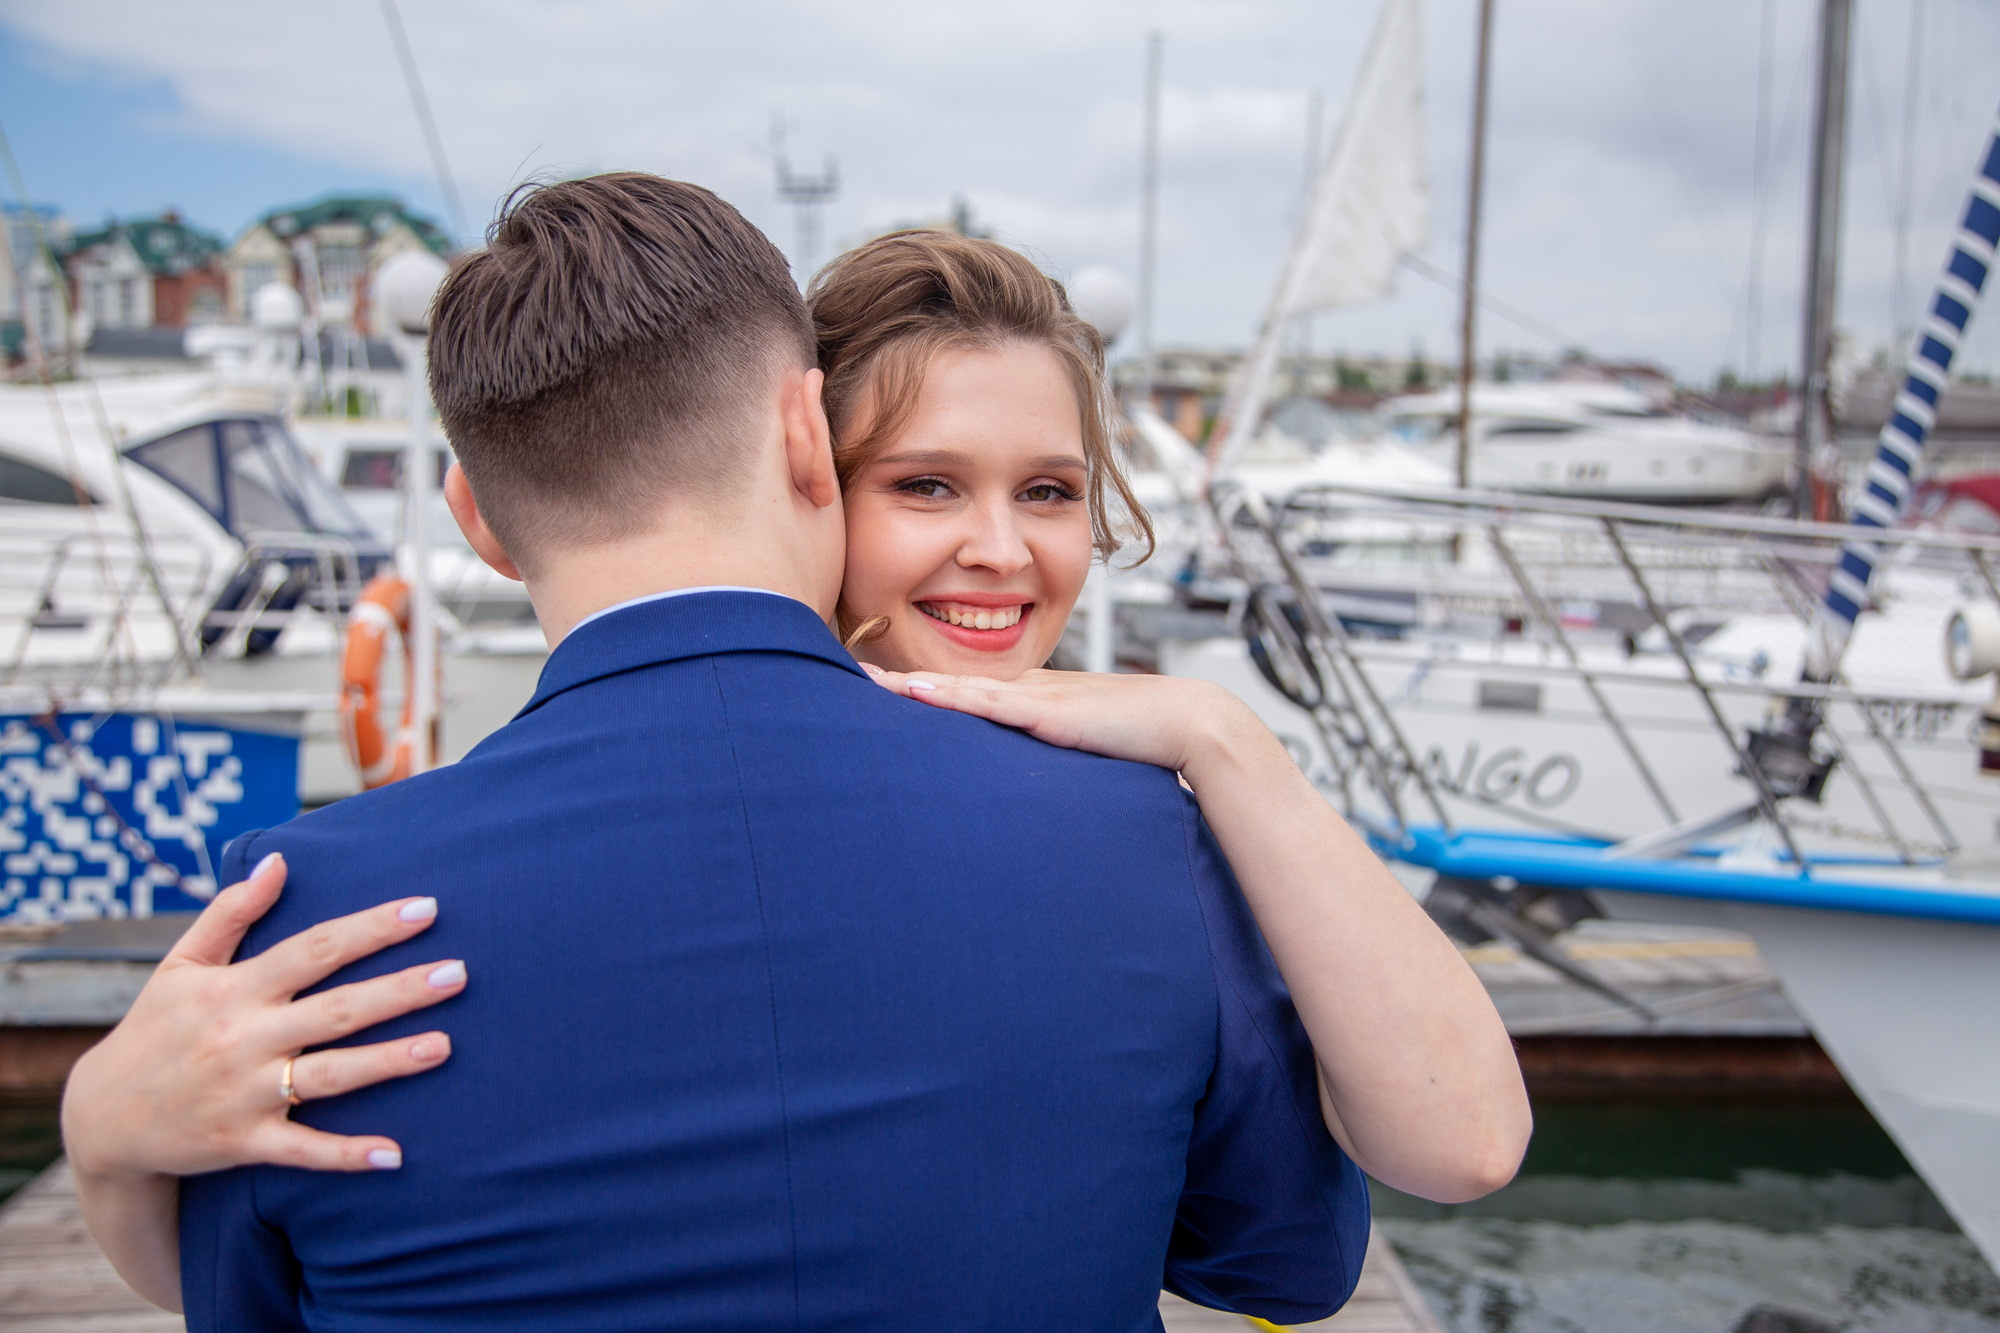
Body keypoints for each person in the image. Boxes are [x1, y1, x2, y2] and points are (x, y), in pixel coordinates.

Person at [62, 186, 1527, 1327]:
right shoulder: (1143, 848)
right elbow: (1287, 1256)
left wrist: (107, 1141)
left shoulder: (309, 916)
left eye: (1052, 492)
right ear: (805, 445)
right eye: (928, 483)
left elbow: (247, 1293)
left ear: (480, 518)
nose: (998, 551)